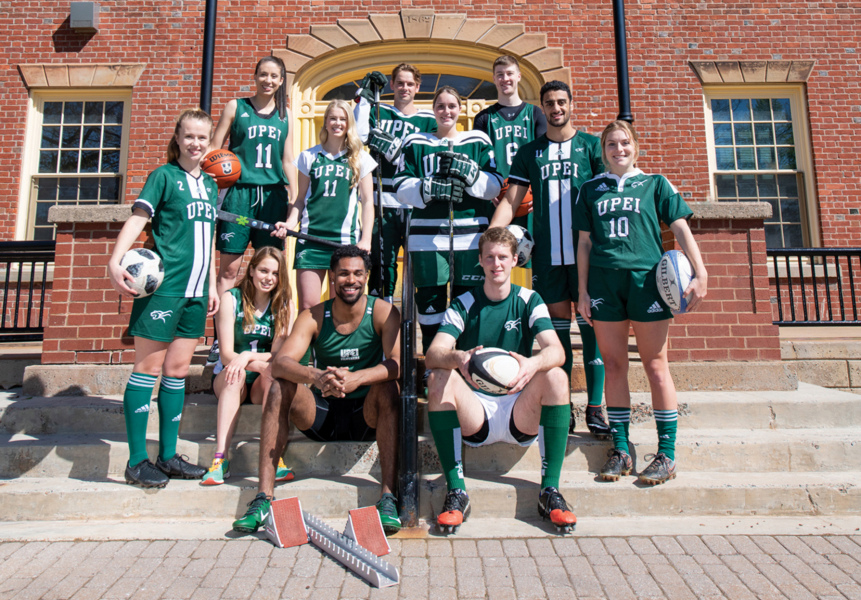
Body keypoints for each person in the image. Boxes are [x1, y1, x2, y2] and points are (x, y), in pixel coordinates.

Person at [231, 246, 403, 535]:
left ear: (367, 276)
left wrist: (358, 378)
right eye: (344, 274)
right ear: (332, 278)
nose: (351, 280)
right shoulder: (314, 316)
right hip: (323, 413)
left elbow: (399, 364)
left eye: (358, 273)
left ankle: (388, 497)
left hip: (367, 416)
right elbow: (282, 363)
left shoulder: (383, 312)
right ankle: (262, 498)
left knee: (389, 388)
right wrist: (317, 375)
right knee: (279, 387)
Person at [575, 120, 708, 485]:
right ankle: (621, 448)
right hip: (604, 283)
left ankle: (667, 453)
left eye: (625, 143)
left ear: (635, 146)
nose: (619, 149)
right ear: (603, 151)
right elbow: (584, 243)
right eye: (612, 145)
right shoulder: (589, 189)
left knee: (655, 364)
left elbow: (680, 227)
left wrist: (701, 272)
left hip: (648, 282)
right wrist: (583, 290)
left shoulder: (655, 183)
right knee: (614, 365)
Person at [425, 227, 576, 534]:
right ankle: (456, 491)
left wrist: (532, 364)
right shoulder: (464, 303)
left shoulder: (529, 300)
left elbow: (557, 350)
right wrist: (458, 359)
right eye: (490, 257)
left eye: (503, 257)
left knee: (557, 377)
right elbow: (433, 354)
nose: (497, 264)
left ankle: (550, 491)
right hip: (475, 412)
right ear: (480, 260)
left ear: (515, 260)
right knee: (439, 377)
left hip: (519, 410)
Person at [490, 80, 610, 439]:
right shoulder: (530, 153)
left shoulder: (591, 146)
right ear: (541, 108)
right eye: (549, 103)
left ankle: (596, 406)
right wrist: (492, 236)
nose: (556, 108)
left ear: (571, 103)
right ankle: (565, 403)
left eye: (561, 102)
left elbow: (606, 196)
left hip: (587, 258)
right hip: (547, 258)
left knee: (592, 332)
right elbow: (512, 201)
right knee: (556, 339)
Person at [107, 108, 218, 488]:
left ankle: (168, 455)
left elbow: (210, 240)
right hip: (164, 289)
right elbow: (138, 217)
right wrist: (115, 260)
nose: (196, 143)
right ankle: (136, 460)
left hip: (197, 292)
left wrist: (214, 286)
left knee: (176, 372)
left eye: (202, 138)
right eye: (189, 136)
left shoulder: (211, 185)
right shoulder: (164, 176)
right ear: (177, 138)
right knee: (148, 369)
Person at [393, 86, 503, 354]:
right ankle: (435, 363)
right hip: (426, 238)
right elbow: (399, 186)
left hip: (471, 237)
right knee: (430, 302)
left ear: (460, 109)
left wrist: (471, 175)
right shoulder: (415, 142)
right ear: (433, 110)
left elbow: (494, 186)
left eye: (452, 106)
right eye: (440, 106)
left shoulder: (477, 141)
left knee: (469, 299)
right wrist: (428, 189)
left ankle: (469, 363)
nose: (446, 111)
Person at [209, 55, 297, 365]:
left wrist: (293, 204)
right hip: (240, 194)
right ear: (255, 76)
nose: (268, 80)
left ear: (281, 80)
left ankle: (272, 338)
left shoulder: (286, 116)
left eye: (274, 76)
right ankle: (220, 340)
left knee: (272, 270)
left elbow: (288, 161)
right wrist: (212, 182)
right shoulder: (236, 106)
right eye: (263, 74)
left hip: (272, 196)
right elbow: (214, 148)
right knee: (229, 270)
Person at [202, 246, 295, 486]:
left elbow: (277, 356)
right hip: (229, 379)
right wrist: (242, 359)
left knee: (275, 377)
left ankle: (274, 457)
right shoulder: (230, 299)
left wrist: (245, 357)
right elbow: (225, 355)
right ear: (251, 270)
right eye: (264, 270)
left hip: (259, 383)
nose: (269, 278)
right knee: (235, 375)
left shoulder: (283, 304)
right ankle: (220, 458)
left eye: (275, 273)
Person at [279, 100, 376, 311]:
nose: (337, 123)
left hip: (343, 241)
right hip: (310, 238)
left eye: (343, 119)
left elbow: (368, 202)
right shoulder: (308, 156)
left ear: (349, 123)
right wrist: (289, 224)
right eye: (333, 118)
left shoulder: (360, 158)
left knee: (341, 305)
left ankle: (337, 345)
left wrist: (366, 238)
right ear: (325, 122)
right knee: (308, 305)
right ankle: (310, 345)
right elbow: (300, 199)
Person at [353, 64, 437, 302]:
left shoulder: (428, 119)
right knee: (382, 264)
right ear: (392, 85)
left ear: (418, 87)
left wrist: (397, 151)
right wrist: (365, 95)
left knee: (419, 263)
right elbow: (356, 135)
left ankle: (420, 319)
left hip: (414, 204)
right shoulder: (379, 111)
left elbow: (427, 159)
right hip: (382, 202)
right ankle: (382, 318)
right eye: (399, 83)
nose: (404, 88)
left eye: (410, 83)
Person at [473, 55, 547, 231]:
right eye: (500, 74)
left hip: (529, 196)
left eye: (509, 73)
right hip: (496, 196)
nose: (505, 79)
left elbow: (543, 159)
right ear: (494, 79)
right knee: (496, 250)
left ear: (519, 76)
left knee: (529, 251)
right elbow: (478, 160)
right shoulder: (483, 118)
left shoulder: (535, 114)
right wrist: (488, 192)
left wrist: (537, 191)